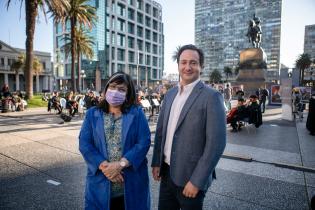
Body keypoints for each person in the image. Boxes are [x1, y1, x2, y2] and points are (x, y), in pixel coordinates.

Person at [151, 44, 226, 210]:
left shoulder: (212, 97)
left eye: (193, 62)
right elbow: (161, 132)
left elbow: (216, 144)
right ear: (178, 65)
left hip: (191, 179)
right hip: (167, 174)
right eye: (183, 62)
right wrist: (157, 162)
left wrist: (196, 181)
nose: (187, 67)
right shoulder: (170, 94)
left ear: (201, 66)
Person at [79, 72, 151, 210]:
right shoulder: (92, 114)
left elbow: (144, 142)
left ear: (128, 93)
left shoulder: (136, 113)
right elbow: (85, 144)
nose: (115, 92)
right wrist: (105, 166)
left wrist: (121, 164)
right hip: (101, 181)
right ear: (106, 89)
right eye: (112, 87)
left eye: (121, 89)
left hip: (131, 184)